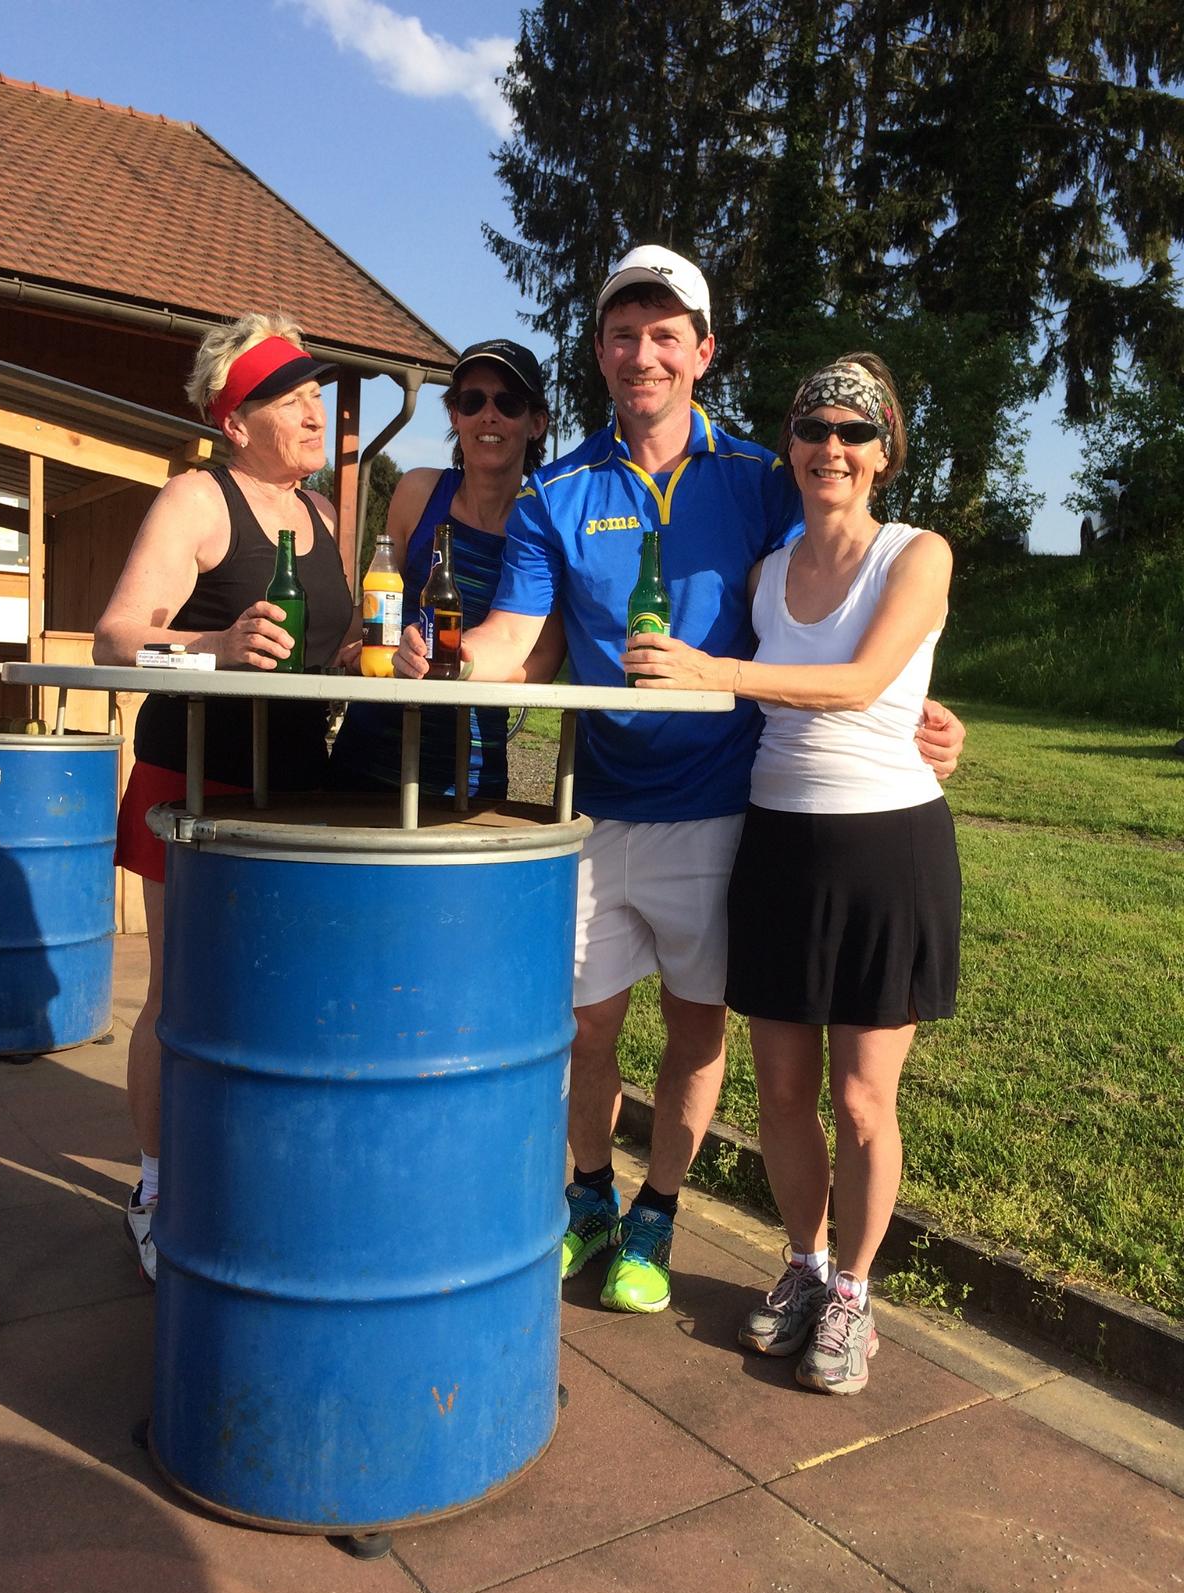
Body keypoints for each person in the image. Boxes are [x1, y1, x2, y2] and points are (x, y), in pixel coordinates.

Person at [394, 247, 964, 1317]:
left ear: (703, 351)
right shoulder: (557, 489)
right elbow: (516, 636)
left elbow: (845, 596)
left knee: (699, 1028)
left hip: (726, 808)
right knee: (587, 1025)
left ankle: (659, 1210)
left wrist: (920, 708)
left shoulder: (762, 476)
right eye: (623, 334)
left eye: (665, 335)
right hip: (597, 804)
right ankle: (591, 1194)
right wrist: (450, 658)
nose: (643, 354)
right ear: (599, 351)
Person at [625, 353, 960, 1395]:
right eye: (814, 429)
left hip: (886, 845)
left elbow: (863, 682)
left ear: (886, 453)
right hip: (775, 840)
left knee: (862, 1100)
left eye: (856, 433)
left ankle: (855, 1292)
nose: (832, 448)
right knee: (779, 1092)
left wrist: (717, 672)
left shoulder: (918, 553)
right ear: (792, 446)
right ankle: (805, 1265)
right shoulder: (768, 572)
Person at [93, 312, 355, 1283]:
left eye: (316, 394)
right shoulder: (197, 499)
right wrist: (212, 646)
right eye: (290, 398)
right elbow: (117, 639)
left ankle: (250, 1176)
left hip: (296, 791)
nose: (314, 412)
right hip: (194, 785)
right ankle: (156, 1190)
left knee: (277, 994)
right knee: (180, 996)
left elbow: (324, 651)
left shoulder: (322, 515)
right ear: (236, 421)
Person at [328, 339, 562, 798]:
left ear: (537, 423)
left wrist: (450, 665)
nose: (488, 416)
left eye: (508, 403)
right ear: (455, 415)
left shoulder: (547, 522)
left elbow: (542, 660)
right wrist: (349, 648)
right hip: (366, 761)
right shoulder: (418, 492)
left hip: (468, 779)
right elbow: (376, 605)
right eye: (472, 401)